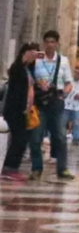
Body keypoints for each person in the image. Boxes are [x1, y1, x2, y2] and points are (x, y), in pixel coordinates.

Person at [33, 30, 74, 179]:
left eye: (52, 42)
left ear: (56, 44)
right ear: (44, 43)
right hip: (41, 102)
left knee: (60, 136)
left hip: (56, 101)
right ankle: (36, 168)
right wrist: (38, 82)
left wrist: (64, 94)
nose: (49, 45)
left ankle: (62, 169)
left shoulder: (63, 61)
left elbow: (69, 82)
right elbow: (29, 77)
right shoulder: (37, 59)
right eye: (47, 42)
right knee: (36, 137)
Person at [1, 43, 41, 182]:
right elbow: (16, 90)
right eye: (33, 53)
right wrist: (23, 105)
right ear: (26, 52)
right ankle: (9, 168)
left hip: (24, 111)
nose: (35, 56)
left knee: (22, 140)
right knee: (19, 139)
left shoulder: (28, 69)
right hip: (16, 109)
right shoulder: (17, 68)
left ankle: (13, 168)